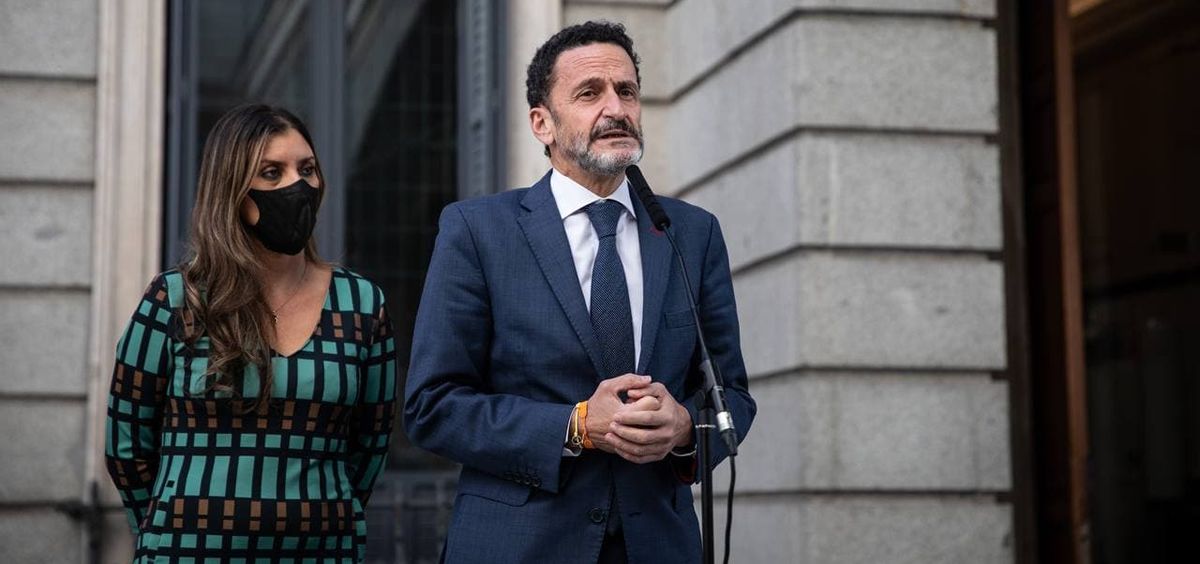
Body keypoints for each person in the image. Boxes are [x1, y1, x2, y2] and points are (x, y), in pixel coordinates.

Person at [404, 21, 756, 563]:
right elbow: (433, 406)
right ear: (541, 123)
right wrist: (575, 426)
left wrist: (685, 427)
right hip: (519, 546)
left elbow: (730, 394)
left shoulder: (691, 232)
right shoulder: (477, 230)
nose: (616, 108)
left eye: (627, 91)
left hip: (657, 545)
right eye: (590, 93)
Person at [105, 104, 397, 563]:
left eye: (307, 169)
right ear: (232, 190)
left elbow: (370, 445)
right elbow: (127, 446)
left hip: (322, 553)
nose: (297, 186)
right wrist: (169, 527)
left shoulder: (361, 303)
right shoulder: (176, 298)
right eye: (271, 173)